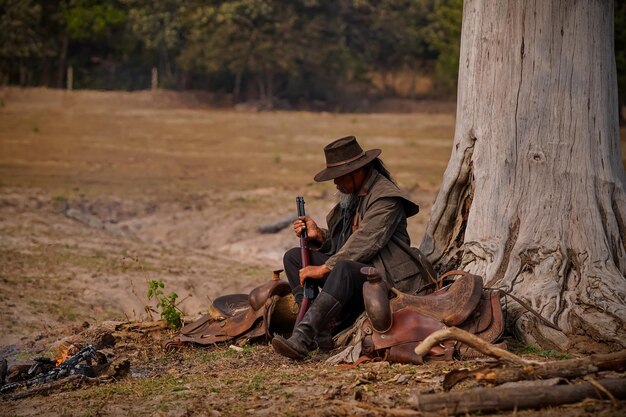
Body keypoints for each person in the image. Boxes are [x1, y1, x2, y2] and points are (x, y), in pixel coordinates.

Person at [271, 135, 424, 360]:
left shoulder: (386, 198)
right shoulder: (353, 197)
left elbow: (366, 241)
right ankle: (320, 334)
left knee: (341, 268)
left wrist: (324, 268)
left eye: (339, 176)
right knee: (293, 258)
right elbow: (342, 244)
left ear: (358, 171)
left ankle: (303, 336)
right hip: (356, 272)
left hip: (387, 278)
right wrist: (319, 236)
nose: (335, 183)